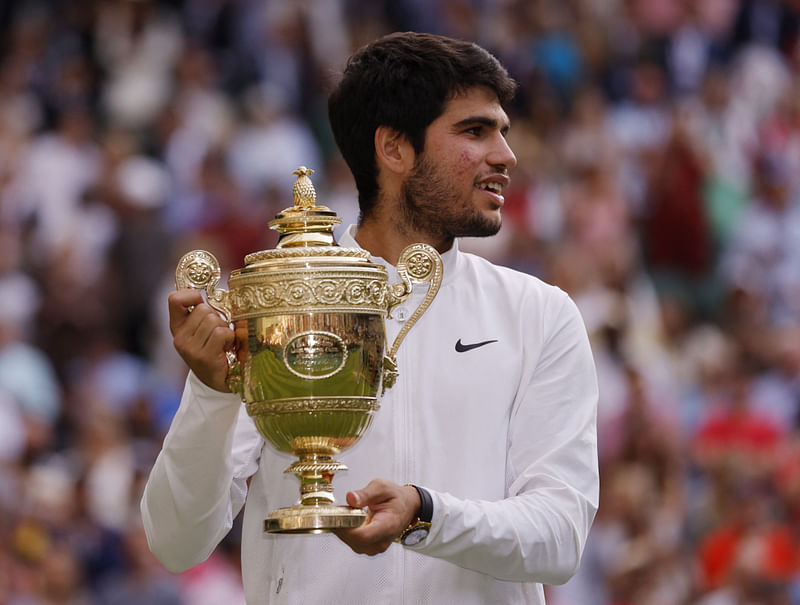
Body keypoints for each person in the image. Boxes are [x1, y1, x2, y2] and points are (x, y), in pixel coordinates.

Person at [141, 31, 599, 604]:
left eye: (502, 132)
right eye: (475, 131)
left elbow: (560, 537)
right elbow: (174, 543)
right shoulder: (277, 305)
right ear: (395, 149)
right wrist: (211, 395)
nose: (505, 155)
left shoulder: (540, 314)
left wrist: (426, 514)